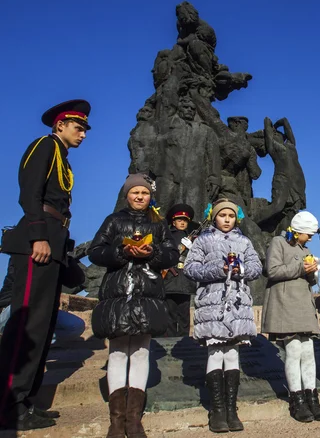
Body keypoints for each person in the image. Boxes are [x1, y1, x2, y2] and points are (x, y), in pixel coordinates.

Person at [0, 99, 91, 431]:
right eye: (78, 128)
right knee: (24, 326)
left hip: (54, 243)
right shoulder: (45, 146)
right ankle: (8, 405)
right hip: (37, 243)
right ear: (60, 125)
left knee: (41, 326)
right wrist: (38, 236)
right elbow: (30, 194)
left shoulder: (63, 158)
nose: (82, 134)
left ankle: (26, 401)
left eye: (83, 129)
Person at [89, 173, 179, 438]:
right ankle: (116, 421)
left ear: (151, 196)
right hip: (119, 290)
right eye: (134, 192)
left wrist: (153, 253)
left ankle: (134, 420)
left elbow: (172, 254)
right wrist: (121, 251)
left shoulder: (159, 222)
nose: (140, 197)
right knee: (117, 352)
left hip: (147, 291)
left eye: (145, 193)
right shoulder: (114, 220)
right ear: (127, 194)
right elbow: (96, 251)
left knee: (141, 351)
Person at [183, 199, 262, 433]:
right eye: (222, 215)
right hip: (212, 304)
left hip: (238, 304)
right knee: (216, 352)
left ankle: (231, 409)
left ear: (236, 218)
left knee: (233, 353)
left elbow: (257, 267)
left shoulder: (244, 242)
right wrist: (219, 270)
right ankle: (217, 411)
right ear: (213, 217)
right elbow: (190, 268)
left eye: (230, 215)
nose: (227, 219)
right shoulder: (203, 240)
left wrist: (242, 270)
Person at [262, 211, 320, 423]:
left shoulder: (305, 248)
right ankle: (296, 399)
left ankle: (312, 397)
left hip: (302, 304)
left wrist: (312, 273)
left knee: (308, 352)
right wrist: (301, 267)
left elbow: (310, 281)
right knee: (294, 350)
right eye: (308, 233)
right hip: (286, 304)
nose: (310, 238)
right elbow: (272, 270)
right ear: (297, 230)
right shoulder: (279, 242)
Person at [163, 204, 198, 337]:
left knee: (184, 315)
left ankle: (184, 342)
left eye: (185, 220)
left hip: (185, 281)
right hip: (170, 280)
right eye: (179, 220)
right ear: (173, 222)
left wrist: (192, 247)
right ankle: (170, 342)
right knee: (170, 314)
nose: (182, 222)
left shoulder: (192, 238)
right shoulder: (167, 236)